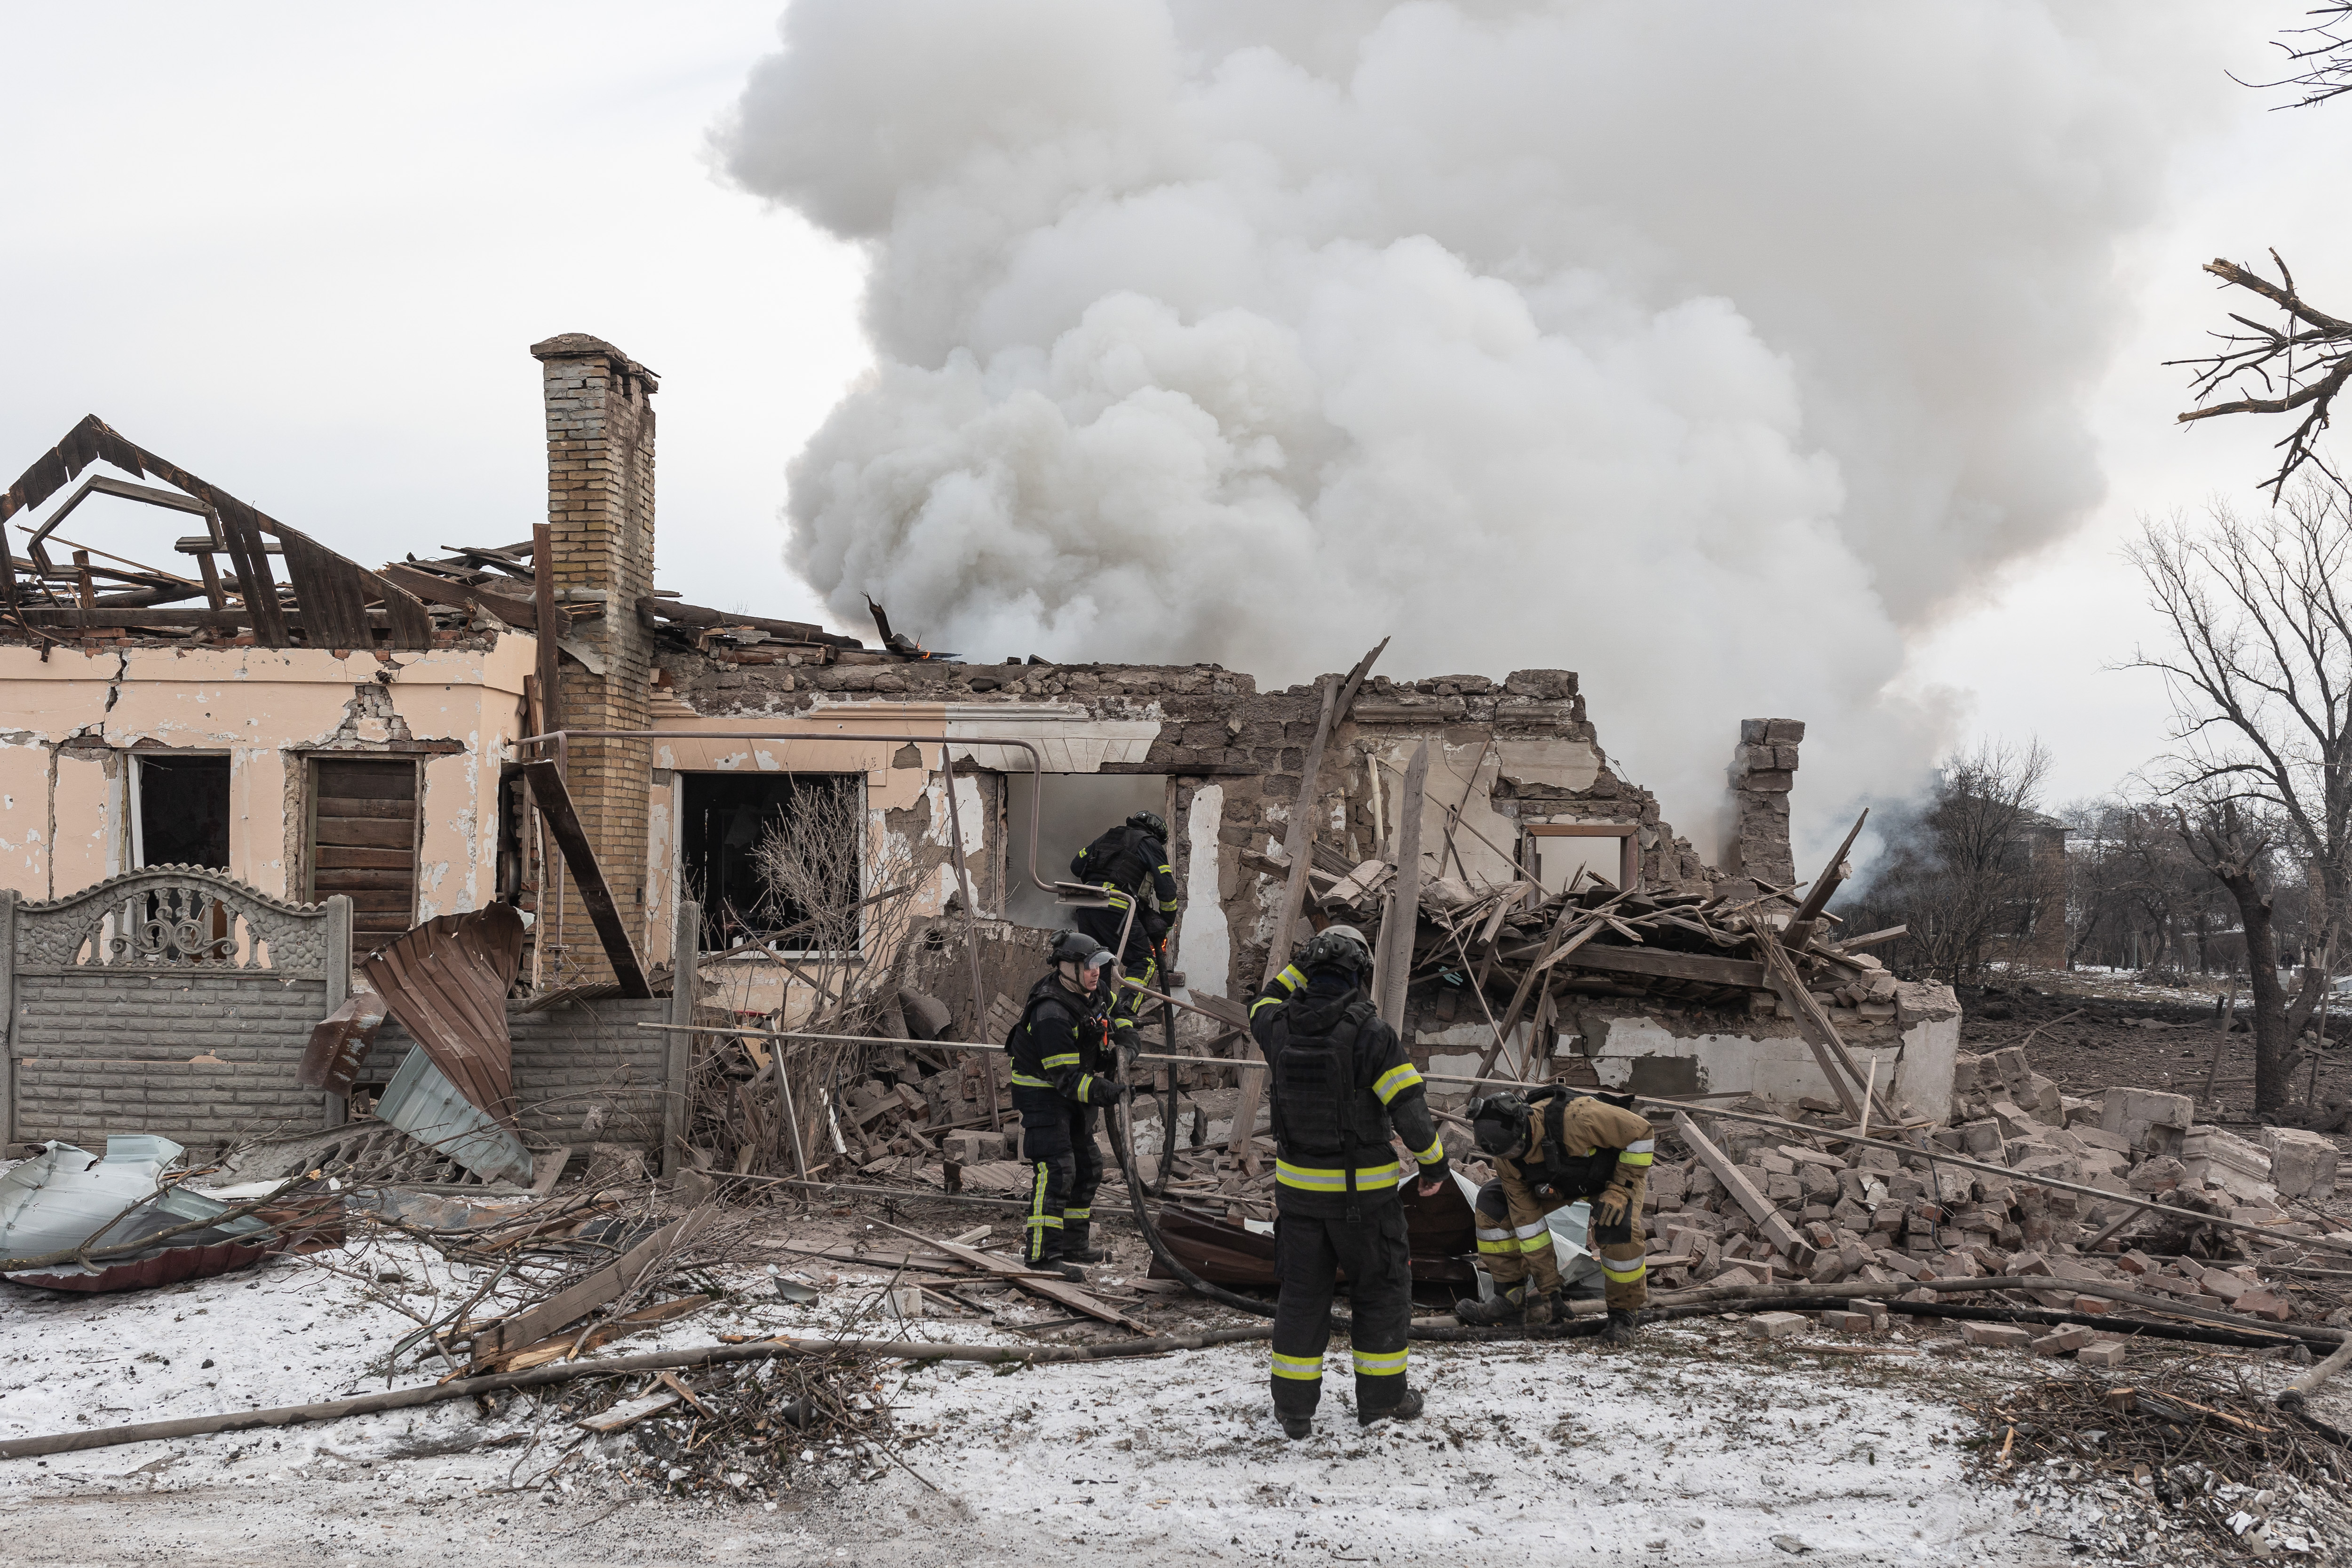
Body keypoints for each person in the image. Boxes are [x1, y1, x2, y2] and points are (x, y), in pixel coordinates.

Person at [1248, 923, 1449, 1438]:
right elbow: (1409, 1111)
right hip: (1364, 1204)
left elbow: (1263, 1000)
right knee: (1381, 1293)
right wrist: (1434, 1167)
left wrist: (1303, 958)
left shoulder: (1277, 1025)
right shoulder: (1371, 1033)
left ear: (1308, 972)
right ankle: (1381, 1402)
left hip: (1298, 1202)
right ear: (1361, 975)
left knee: (1301, 1297)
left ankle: (1294, 1410)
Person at [1454, 1087, 1654, 1345]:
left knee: (1616, 1227)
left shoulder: (1579, 1118)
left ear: (1524, 1127)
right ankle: (1510, 1300)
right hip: (1559, 1181)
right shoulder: (1508, 1159)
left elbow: (1642, 1133)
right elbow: (1530, 1229)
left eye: (1515, 1150)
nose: (1512, 1158)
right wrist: (1551, 1292)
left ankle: (1623, 1315)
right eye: (1504, 1155)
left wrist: (1621, 1189)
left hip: (1611, 1179)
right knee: (1494, 1204)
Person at [1008, 931, 1130, 1279]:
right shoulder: (1051, 1012)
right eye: (1089, 965)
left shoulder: (1095, 992)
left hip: (1070, 1089)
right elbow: (1067, 1079)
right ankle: (1042, 1255)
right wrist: (1108, 1090)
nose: (1097, 972)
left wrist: (1127, 1043)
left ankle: (1075, 1244)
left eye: (1099, 965)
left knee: (1088, 1165)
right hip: (1043, 1094)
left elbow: (1119, 1019)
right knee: (1058, 1169)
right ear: (1067, 967)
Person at [1070, 810, 1180, 1050]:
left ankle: (1100, 1017)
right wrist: (1167, 922)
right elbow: (1166, 888)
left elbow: (1076, 865)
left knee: (1101, 964)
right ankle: (1123, 1010)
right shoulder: (1150, 843)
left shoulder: (1108, 836)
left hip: (1086, 906)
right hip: (1117, 907)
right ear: (1158, 834)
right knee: (1144, 962)